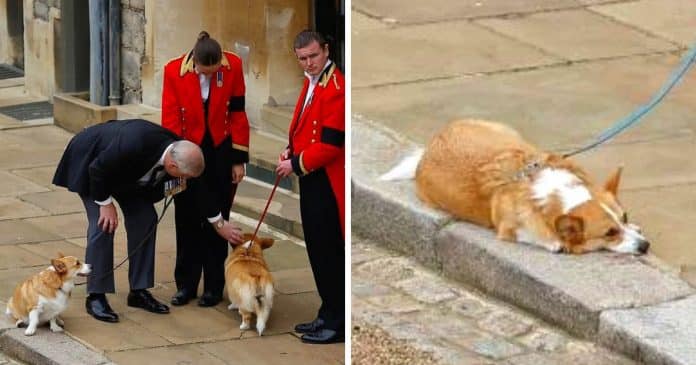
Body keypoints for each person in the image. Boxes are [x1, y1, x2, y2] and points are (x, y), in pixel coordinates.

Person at [52, 119, 242, 323]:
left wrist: (219, 223)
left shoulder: (183, 151)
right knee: (103, 224)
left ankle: (138, 291)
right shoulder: (134, 143)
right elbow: (98, 169)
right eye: (183, 176)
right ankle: (96, 295)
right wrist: (106, 204)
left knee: (145, 218)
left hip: (126, 175)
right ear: (172, 165)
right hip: (92, 162)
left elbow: (199, 187)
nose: (185, 180)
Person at [161, 31, 250, 307]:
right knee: (186, 219)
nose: (209, 77)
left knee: (219, 216)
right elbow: (170, 117)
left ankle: (213, 287)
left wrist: (238, 159)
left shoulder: (233, 65)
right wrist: (178, 162)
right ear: (195, 62)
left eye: (214, 74)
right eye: (205, 73)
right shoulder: (173, 71)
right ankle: (185, 285)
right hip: (187, 149)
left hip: (220, 150)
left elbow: (238, 112)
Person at [276, 30, 345, 344]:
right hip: (311, 176)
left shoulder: (336, 87)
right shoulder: (310, 82)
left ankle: (338, 321)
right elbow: (305, 128)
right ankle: (327, 311)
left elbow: (331, 145)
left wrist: (296, 162)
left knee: (329, 251)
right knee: (318, 250)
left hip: (327, 180)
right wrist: (291, 149)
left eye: (313, 56)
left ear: (325, 50)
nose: (309, 63)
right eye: (303, 58)